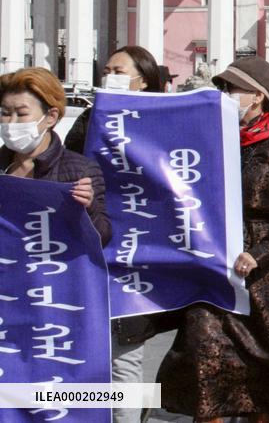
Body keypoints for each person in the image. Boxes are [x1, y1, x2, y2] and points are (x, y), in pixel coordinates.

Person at [158, 57, 269, 421]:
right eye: (224, 88)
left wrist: (261, 251)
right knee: (203, 345)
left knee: (263, 354)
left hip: (262, 265)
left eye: (233, 89)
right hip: (213, 255)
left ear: (257, 96)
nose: (226, 95)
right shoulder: (214, 138)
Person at [63, 45, 163, 423]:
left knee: (125, 359)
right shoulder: (91, 117)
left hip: (139, 253)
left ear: (144, 80)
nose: (109, 76)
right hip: (91, 246)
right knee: (89, 356)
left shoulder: (161, 120)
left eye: (118, 70)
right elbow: (66, 163)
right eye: (106, 69)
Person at [0, 68, 110, 245]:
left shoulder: (80, 170)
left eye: (21, 114)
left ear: (51, 117)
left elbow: (102, 237)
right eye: (5, 113)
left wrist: (89, 207)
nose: (11, 122)